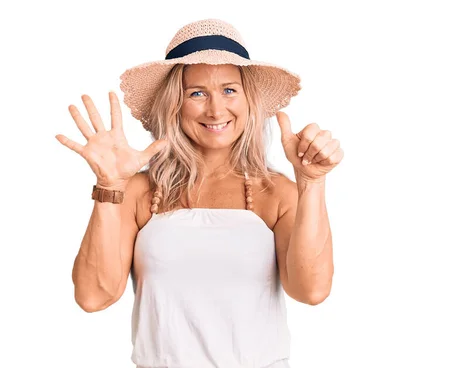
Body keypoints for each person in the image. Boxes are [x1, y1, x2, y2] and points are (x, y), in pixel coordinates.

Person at [55, 18, 343, 368]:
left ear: (248, 100)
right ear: (174, 103)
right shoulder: (139, 192)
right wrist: (109, 187)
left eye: (229, 90)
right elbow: (93, 297)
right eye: (197, 93)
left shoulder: (275, 192)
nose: (216, 109)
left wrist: (311, 182)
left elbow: (311, 291)